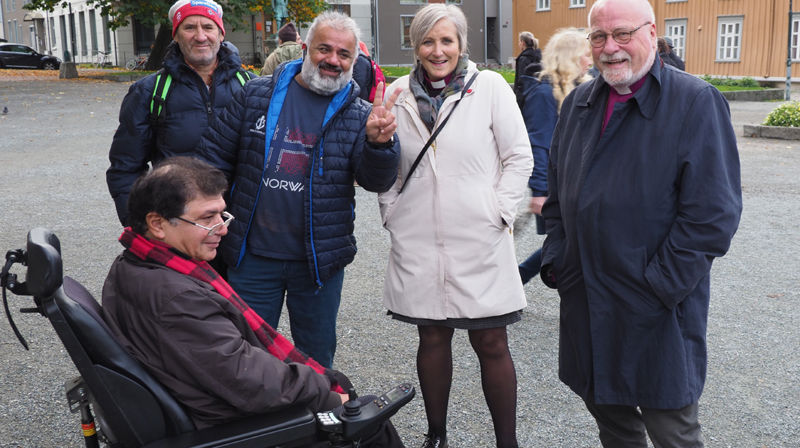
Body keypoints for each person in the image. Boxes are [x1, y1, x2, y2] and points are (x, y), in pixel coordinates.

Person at [540, 0, 742, 447]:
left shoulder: (694, 102)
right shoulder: (579, 103)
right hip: (587, 297)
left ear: (652, 33)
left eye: (623, 34)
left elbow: (713, 216)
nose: (610, 47)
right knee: (611, 421)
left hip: (656, 306)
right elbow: (557, 199)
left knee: (671, 428)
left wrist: (659, 286)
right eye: (599, 37)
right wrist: (560, 263)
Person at [101, 157, 404, 447]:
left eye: (222, 214)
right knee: (368, 420)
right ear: (157, 223)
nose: (222, 228)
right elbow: (246, 379)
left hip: (201, 403)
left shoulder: (136, 263)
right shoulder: (174, 297)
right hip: (228, 425)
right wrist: (327, 393)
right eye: (207, 218)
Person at [198, 11, 400, 369]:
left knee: (316, 358)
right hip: (252, 257)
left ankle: (316, 423)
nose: (332, 61)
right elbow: (212, 160)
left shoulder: (360, 114)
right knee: (247, 356)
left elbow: (376, 180)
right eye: (324, 49)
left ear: (355, 61)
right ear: (305, 49)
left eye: (344, 55)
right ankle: (258, 423)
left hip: (319, 262)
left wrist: (380, 145)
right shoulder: (256, 95)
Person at [378, 4, 532, 448]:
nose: (437, 50)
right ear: (415, 45)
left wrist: (499, 211)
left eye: (447, 40)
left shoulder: (488, 88)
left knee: (490, 340)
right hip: (419, 235)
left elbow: (519, 156)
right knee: (432, 336)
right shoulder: (396, 93)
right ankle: (437, 436)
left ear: (462, 44)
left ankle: (507, 442)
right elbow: (385, 164)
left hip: (479, 235)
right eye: (428, 40)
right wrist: (391, 210)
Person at [106, 0, 253, 227]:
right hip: (180, 225)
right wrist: (139, 226)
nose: (200, 36)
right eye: (189, 27)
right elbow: (125, 168)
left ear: (221, 34)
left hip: (241, 227)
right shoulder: (148, 92)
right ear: (176, 35)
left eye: (208, 27)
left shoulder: (252, 87)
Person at [516, 28, 593, 285]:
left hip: (580, 183)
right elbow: (538, 143)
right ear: (571, 57)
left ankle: (518, 277)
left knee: (574, 240)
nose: (591, 59)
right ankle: (516, 277)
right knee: (570, 240)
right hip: (557, 185)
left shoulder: (582, 88)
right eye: (586, 54)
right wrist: (539, 191)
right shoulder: (544, 93)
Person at [513, 31, 541, 96]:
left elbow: (521, 79)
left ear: (522, 43)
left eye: (519, 41)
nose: (518, 44)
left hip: (525, 94)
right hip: (536, 92)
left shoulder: (523, 59)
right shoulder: (538, 56)